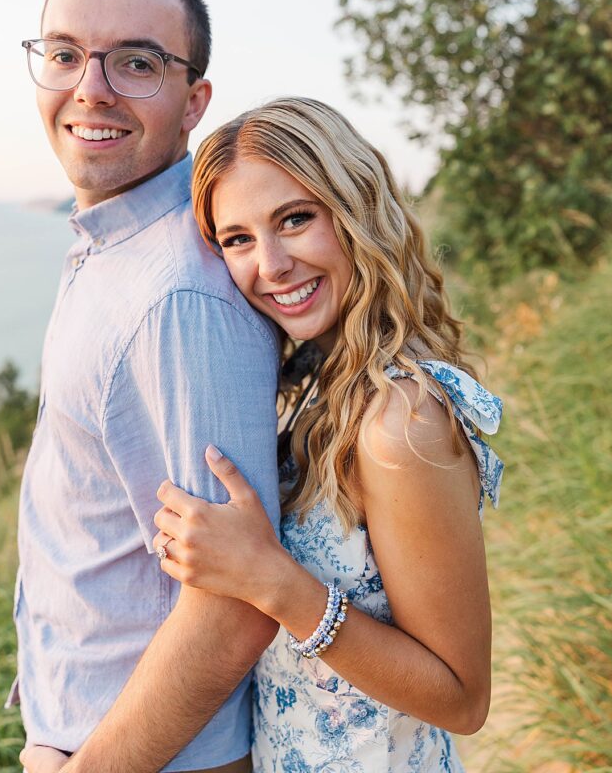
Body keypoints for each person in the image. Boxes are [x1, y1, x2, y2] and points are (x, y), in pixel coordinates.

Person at [153, 97, 504, 772]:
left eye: (295, 219)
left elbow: (463, 699)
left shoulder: (398, 423)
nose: (272, 264)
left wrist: (271, 581)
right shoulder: (310, 385)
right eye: (237, 240)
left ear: (355, 211)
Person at [12, 0, 283, 773]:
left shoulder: (178, 296)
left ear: (194, 101)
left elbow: (235, 606)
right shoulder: (109, 244)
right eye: (64, 54)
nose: (88, 90)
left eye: (133, 62)